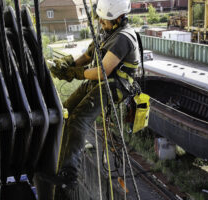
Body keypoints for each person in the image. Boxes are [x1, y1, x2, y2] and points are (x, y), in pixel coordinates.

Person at [49, 0, 141, 187]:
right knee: (65, 111)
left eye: (105, 20)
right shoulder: (106, 32)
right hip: (99, 81)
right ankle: (59, 160)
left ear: (119, 18)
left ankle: (69, 175)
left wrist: (75, 74)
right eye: (100, 19)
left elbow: (102, 72)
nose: (100, 22)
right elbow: (88, 56)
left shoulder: (123, 38)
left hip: (114, 86)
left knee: (78, 119)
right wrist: (70, 65)